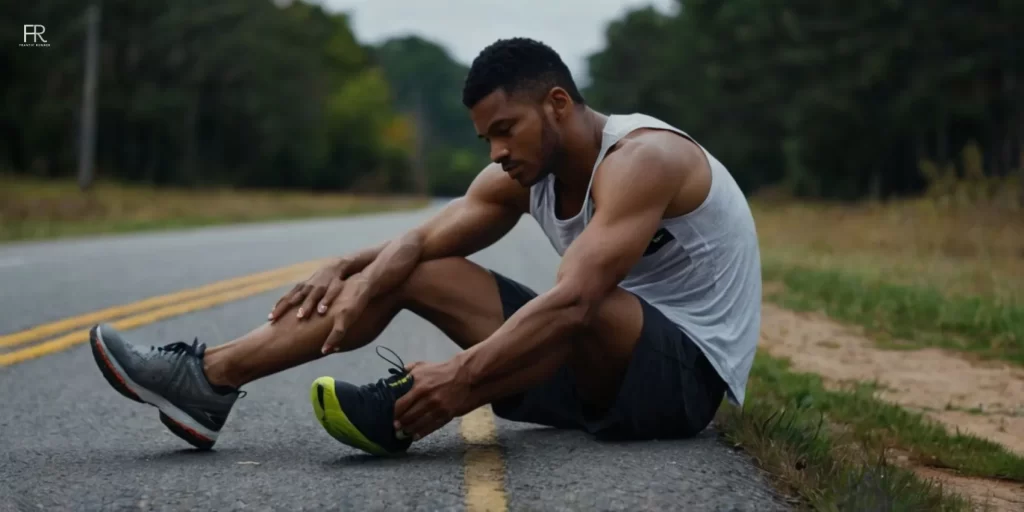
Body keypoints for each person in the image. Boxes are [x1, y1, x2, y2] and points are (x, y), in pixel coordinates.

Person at [88, 37, 762, 454]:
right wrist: (352, 267)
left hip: (679, 384)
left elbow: (578, 301)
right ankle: (208, 381)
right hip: (587, 376)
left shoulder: (644, 159)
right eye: (486, 140)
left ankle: (420, 400)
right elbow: (419, 240)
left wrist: (462, 376)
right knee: (414, 268)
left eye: (507, 129)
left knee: (581, 296)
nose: (497, 153)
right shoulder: (522, 172)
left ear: (557, 103)